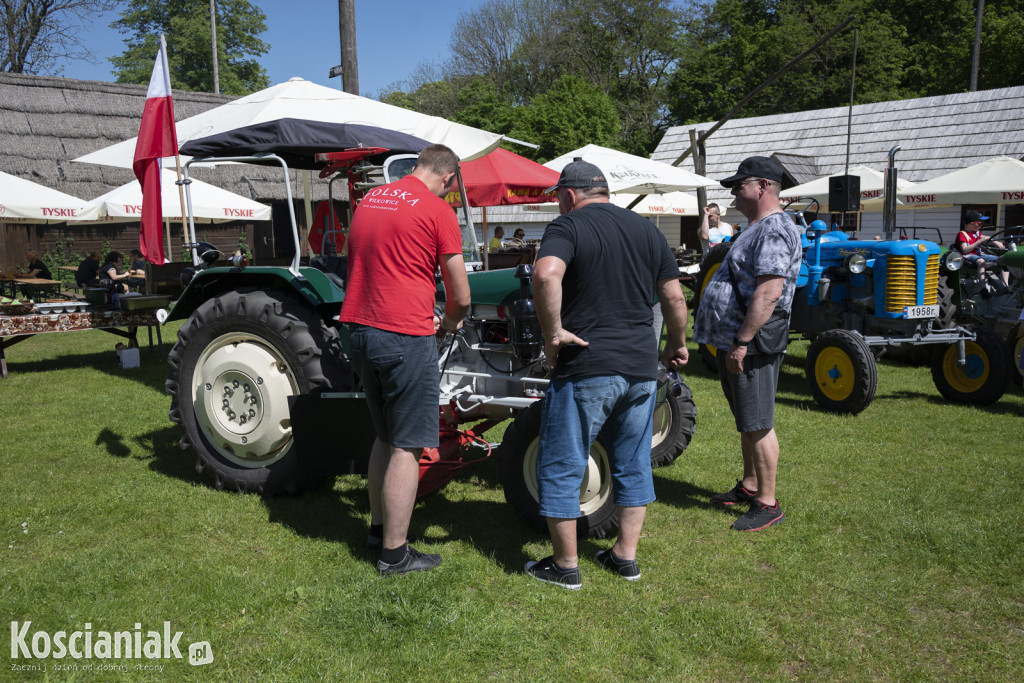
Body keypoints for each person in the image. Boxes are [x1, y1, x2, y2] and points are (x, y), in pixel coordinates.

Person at [525, 158, 690, 589]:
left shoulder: (569, 226)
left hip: (588, 365)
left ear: (568, 196)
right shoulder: (647, 230)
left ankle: (564, 567)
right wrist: (677, 343)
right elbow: (674, 294)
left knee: (562, 461)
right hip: (640, 366)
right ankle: (624, 557)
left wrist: (552, 334)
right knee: (634, 461)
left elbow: (545, 274)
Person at [339, 144, 471, 576]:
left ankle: (378, 531)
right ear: (448, 179)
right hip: (403, 335)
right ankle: (395, 554)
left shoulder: (370, 200)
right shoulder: (438, 210)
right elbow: (461, 295)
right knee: (408, 446)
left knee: (384, 436)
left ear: (414, 167)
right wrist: (449, 324)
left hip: (359, 329)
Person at [693, 156, 802, 532]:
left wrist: (742, 342)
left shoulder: (773, 229)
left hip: (751, 342)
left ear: (762, 187)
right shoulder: (757, 228)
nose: (733, 193)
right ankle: (751, 485)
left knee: (758, 423)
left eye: (739, 186)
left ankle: (768, 503)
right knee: (747, 420)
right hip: (737, 341)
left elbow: (769, 291)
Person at [954, 210, 1009, 292]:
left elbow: (986, 238)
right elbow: (965, 250)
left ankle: (1005, 286)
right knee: (981, 261)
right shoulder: (962, 234)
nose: (982, 225)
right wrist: (979, 241)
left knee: (1004, 259)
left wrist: (995, 242)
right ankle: (983, 288)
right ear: (971, 224)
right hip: (968, 256)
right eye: (980, 223)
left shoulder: (976, 232)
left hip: (979, 254)